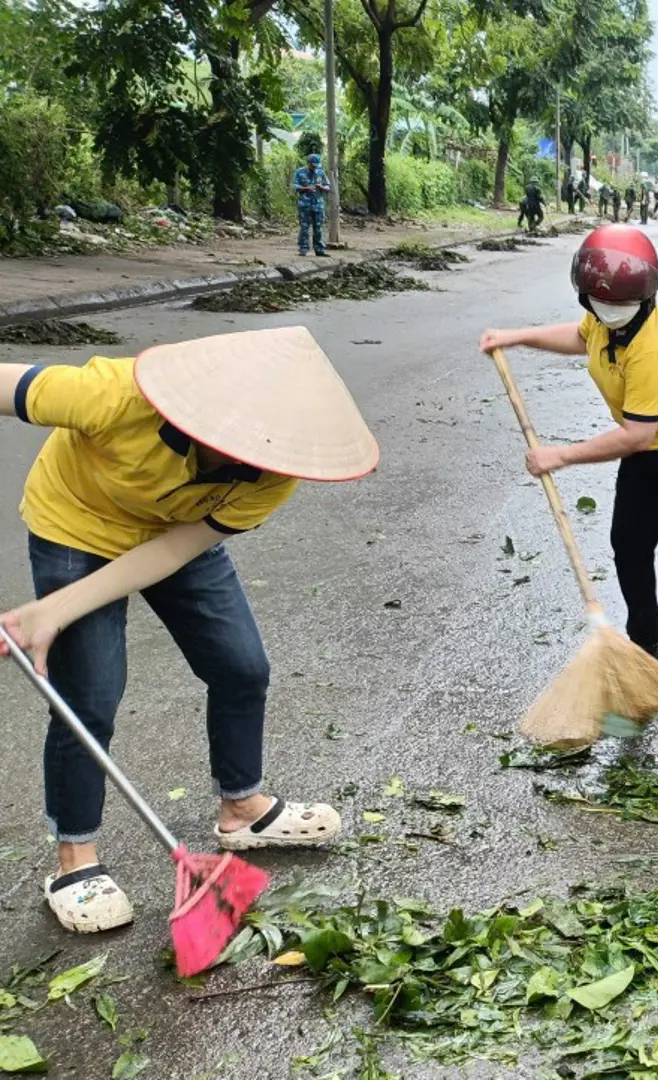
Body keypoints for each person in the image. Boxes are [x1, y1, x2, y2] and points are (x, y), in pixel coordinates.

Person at [0, 326, 379, 933]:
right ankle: (75, 858)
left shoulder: (274, 476)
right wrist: (54, 607)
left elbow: (172, 553)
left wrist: (57, 610)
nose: (262, 456)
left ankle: (243, 807)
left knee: (241, 666)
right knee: (90, 696)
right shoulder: (114, 395)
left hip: (173, 536)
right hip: (77, 524)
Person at [479, 227, 658, 730]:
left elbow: (637, 435)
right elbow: (580, 336)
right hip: (651, 446)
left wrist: (561, 456)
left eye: (621, 302)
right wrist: (516, 337)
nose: (609, 309)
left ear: (647, 296)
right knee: (628, 543)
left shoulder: (654, 345)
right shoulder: (602, 320)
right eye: (599, 301)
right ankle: (645, 645)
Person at [292, 153, 331, 258]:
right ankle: (303, 249)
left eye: (316, 165)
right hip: (305, 205)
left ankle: (319, 250)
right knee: (304, 228)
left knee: (318, 228)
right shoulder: (299, 172)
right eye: (313, 165)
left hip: (318, 205)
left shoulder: (320, 172)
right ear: (308, 163)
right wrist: (306, 188)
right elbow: (295, 186)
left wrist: (321, 187)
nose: (314, 168)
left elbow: (328, 187)